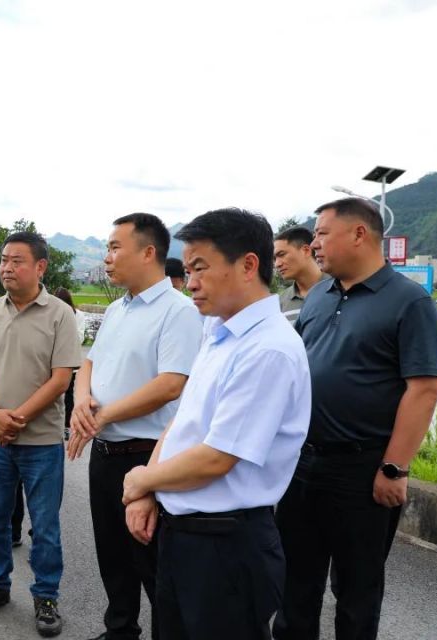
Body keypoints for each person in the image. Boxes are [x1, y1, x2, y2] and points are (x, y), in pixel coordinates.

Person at [122, 208, 311, 639]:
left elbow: (216, 458)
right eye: (187, 270)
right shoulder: (217, 331)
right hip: (183, 534)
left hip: (226, 547)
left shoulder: (268, 350)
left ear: (248, 265)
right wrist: (149, 488)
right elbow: (183, 420)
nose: (190, 282)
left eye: (201, 268)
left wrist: (142, 480)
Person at [273, 198, 437, 640]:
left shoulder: (409, 302)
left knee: (356, 590)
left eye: (321, 233)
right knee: (295, 581)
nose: (314, 244)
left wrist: (394, 467)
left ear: (359, 234)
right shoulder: (318, 298)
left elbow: (425, 388)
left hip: (363, 470)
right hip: (303, 464)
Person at [68, 212, 202, 640]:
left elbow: (170, 384)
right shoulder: (116, 309)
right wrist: (81, 400)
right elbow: (89, 362)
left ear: (148, 253)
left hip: (147, 456)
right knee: (112, 555)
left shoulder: (178, 311)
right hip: (105, 454)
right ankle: (120, 629)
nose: (107, 258)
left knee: (154, 564)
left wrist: (103, 414)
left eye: (113, 248)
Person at [0, 231, 82, 638]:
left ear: (40, 267)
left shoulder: (60, 314)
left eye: (16, 261)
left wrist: (17, 418)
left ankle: (46, 595)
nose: (6, 268)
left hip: (42, 441)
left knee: (45, 525)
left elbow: (61, 377)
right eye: (3, 260)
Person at [274, 225, 326, 325]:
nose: (277, 264)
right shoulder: (281, 303)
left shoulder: (341, 288)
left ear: (306, 251)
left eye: (281, 254)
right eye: (275, 259)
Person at [53, 286, 86, 439]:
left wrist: (61, 340)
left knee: (68, 396)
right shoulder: (50, 313)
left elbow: (79, 337)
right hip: (51, 363)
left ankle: (67, 426)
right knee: (51, 395)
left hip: (69, 363)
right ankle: (53, 426)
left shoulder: (78, 315)